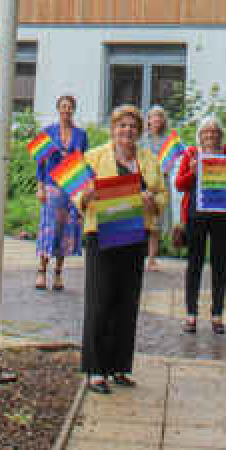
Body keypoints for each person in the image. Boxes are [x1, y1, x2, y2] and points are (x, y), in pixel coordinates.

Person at [76, 103, 165, 393]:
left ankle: (119, 367)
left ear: (139, 131)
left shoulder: (148, 159)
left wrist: (153, 201)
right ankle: (95, 371)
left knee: (127, 303)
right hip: (101, 235)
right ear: (113, 129)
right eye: (121, 126)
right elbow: (77, 195)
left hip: (134, 236)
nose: (127, 131)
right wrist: (86, 196)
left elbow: (162, 195)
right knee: (100, 301)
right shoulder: (94, 157)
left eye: (132, 126)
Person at [175, 114, 226, 334]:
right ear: (200, 134)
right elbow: (179, 184)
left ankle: (217, 315)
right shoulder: (191, 154)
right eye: (206, 131)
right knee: (194, 265)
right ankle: (191, 314)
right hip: (196, 216)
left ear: (220, 134)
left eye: (214, 131)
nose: (210, 135)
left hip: (222, 217)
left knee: (219, 265)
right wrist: (192, 172)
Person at [35, 93, 88, 291]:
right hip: (51, 185)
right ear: (58, 109)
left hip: (71, 188)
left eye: (70, 107)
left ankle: (58, 273)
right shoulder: (48, 132)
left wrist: (82, 193)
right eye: (63, 106)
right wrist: (40, 187)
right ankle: (41, 271)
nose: (66, 110)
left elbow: (84, 163)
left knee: (66, 230)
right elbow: (40, 162)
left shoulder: (81, 135)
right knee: (48, 228)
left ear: (73, 110)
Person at [139, 104, 174, 270]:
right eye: (154, 116)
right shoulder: (141, 139)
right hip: (142, 183)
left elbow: (172, 161)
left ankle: (152, 259)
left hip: (161, 184)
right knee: (140, 221)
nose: (157, 119)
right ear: (148, 120)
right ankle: (138, 257)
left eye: (160, 116)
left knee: (155, 224)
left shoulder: (169, 140)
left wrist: (168, 167)